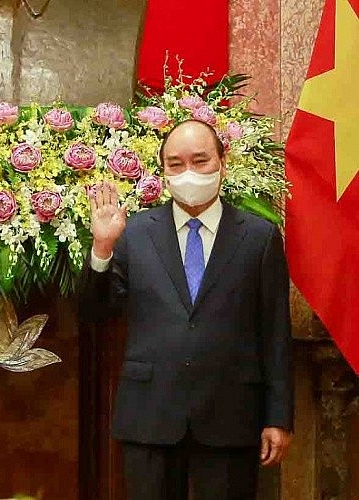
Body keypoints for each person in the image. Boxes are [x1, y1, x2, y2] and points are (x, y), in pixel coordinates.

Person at [79, 119, 293, 499]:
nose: (188, 173)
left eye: (200, 160)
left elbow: (275, 332)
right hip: (151, 415)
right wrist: (102, 250)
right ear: (163, 172)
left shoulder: (258, 238)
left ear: (222, 163)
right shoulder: (135, 233)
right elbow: (96, 313)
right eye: (175, 164)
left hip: (230, 415)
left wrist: (278, 417)